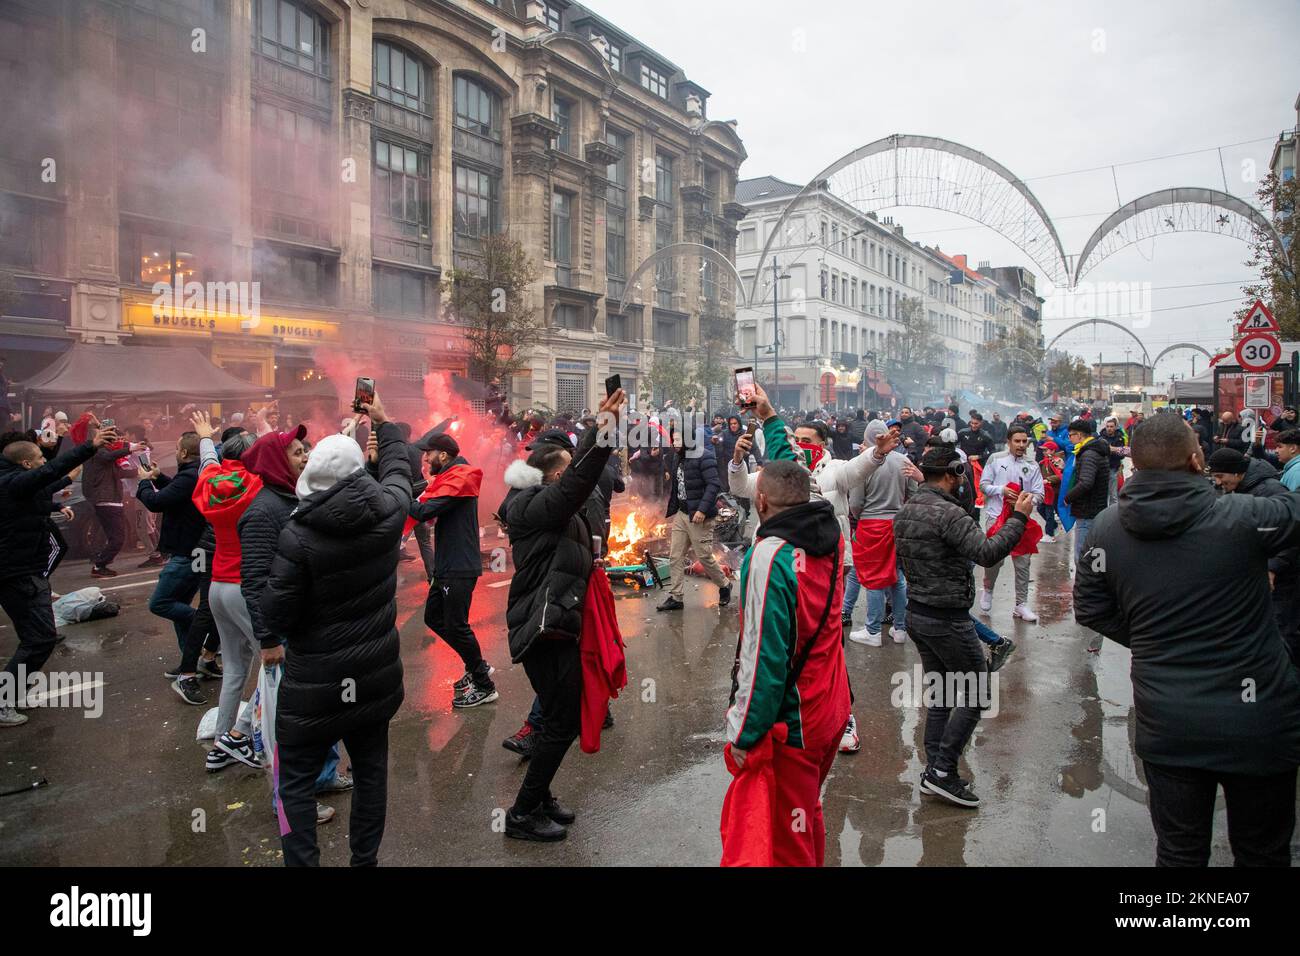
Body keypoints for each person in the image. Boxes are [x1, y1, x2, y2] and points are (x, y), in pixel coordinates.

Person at [1074, 412, 1300, 865]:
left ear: (1133, 463)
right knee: (1263, 852)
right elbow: (1292, 511)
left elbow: (1092, 609)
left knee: (1179, 852)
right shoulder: (1245, 516)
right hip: (1258, 721)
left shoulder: (1106, 528)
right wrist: (1258, 472)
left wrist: (1153, 637)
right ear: (1198, 460)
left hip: (1168, 720)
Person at [264, 392, 411, 867]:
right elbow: (398, 475)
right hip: (374, 678)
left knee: (293, 786)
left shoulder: (297, 535)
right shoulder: (388, 514)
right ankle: (363, 861)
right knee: (371, 775)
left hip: (314, 685)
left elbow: (275, 616)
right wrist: (385, 427)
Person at [499, 387, 625, 842]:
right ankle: (522, 812)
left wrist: (599, 433)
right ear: (550, 477)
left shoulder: (542, 504)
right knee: (563, 721)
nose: (571, 476)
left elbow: (580, 488)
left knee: (557, 718)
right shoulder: (535, 508)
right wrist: (602, 431)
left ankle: (541, 795)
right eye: (564, 471)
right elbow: (579, 485)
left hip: (556, 624)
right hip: (543, 628)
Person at [720, 459, 850, 866]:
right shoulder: (833, 534)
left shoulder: (768, 556)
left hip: (796, 721)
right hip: (833, 706)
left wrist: (743, 733)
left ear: (759, 500)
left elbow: (763, 658)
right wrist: (772, 420)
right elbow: (790, 476)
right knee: (805, 812)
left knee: (785, 841)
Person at [894, 446, 1034, 807]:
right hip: (947, 618)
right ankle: (943, 772)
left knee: (941, 691)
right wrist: (1018, 519)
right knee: (979, 692)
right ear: (953, 474)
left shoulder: (908, 510)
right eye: (961, 476)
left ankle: (934, 771)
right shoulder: (948, 514)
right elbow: (986, 553)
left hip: (919, 614)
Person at [0, 424, 118, 727]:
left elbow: (40, 487)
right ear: (25, 463)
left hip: (22, 570)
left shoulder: (13, 481)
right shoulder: (13, 481)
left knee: (37, 638)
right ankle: (2, 701)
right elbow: (43, 476)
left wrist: (62, 487)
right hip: (17, 573)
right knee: (40, 639)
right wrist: (88, 447)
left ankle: (13, 692)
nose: (44, 461)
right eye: (39, 457)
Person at [408, 432, 495, 708]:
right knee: (433, 617)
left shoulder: (460, 480)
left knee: (457, 626)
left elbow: (423, 513)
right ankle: (476, 664)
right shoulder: (450, 478)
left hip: (459, 566)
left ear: (442, 455)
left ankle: (484, 684)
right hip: (447, 564)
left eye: (428, 453)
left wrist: (396, 493)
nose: (425, 458)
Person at [136, 430, 205, 666]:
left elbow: (156, 502)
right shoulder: (195, 473)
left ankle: (205, 623)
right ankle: (191, 662)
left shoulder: (189, 476)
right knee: (180, 608)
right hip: (196, 551)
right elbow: (177, 493)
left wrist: (144, 481)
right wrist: (157, 477)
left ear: (184, 452)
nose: (175, 452)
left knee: (161, 603)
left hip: (186, 553)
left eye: (177, 448)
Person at [847, 420, 917, 646]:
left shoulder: (863, 464)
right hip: (898, 523)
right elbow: (912, 492)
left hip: (871, 525)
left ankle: (873, 631)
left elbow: (856, 502)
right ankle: (899, 629)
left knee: (875, 580)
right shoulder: (904, 460)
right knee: (897, 578)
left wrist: (858, 519)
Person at [658, 424, 730, 612]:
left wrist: (702, 510)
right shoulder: (677, 457)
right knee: (675, 556)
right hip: (682, 514)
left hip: (700, 516)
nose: (674, 443)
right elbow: (677, 486)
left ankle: (724, 585)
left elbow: (714, 485)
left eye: (679, 439)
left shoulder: (704, 456)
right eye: (673, 440)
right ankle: (676, 597)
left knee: (704, 556)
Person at [978, 424, 1045, 622]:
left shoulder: (1032, 465)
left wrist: (1024, 500)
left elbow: (1040, 494)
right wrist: (1002, 491)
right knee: (994, 559)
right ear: (1009, 442)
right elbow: (983, 486)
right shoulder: (995, 459)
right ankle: (988, 589)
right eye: (1017, 441)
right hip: (996, 516)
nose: (1021, 445)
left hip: (1021, 519)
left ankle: (1021, 605)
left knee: (1023, 562)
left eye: (1025, 441)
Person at [81, 422, 141, 577]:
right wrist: (130, 448)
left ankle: (99, 563)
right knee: (118, 538)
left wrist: (140, 471)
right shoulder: (97, 452)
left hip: (108, 500)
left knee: (109, 535)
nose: (113, 440)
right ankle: (99, 564)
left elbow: (119, 472)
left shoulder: (101, 453)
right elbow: (109, 456)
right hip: (106, 500)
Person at [1062, 418, 1109, 568]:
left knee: (1082, 557)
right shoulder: (1095, 450)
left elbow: (1086, 482)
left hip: (1087, 511)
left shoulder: (1089, 454)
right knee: (1095, 555)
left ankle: (1086, 588)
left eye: (1070, 435)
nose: (1069, 439)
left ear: (1080, 436)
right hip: (1095, 509)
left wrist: (1068, 498)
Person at [1098, 417, 1128, 505]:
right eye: (1108, 426)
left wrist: (1112, 450)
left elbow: (1123, 454)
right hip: (1102, 469)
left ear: (1115, 427)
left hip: (1113, 468)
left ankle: (1113, 514)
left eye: (1111, 426)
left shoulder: (1120, 438)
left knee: (1113, 495)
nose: (1109, 428)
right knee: (1103, 494)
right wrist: (1113, 450)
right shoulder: (1100, 439)